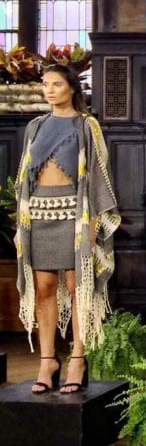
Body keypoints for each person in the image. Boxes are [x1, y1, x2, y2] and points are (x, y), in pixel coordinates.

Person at [15, 65, 120, 393]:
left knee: (78, 287)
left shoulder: (87, 125)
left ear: (72, 88)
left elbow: (99, 174)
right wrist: (22, 219)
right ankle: (48, 360)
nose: (49, 90)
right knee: (43, 286)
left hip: (75, 214)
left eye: (56, 84)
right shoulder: (35, 126)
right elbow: (23, 176)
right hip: (39, 214)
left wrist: (92, 224)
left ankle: (78, 356)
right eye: (45, 85)